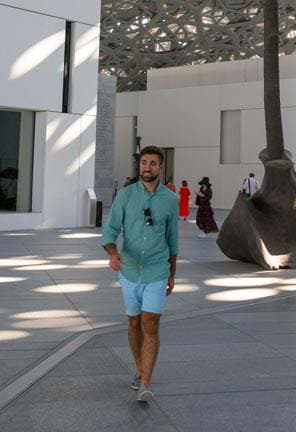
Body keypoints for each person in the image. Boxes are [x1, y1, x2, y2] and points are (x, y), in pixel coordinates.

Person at [102, 145, 178, 404]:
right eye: (144, 162)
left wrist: (172, 274)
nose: (147, 167)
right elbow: (110, 231)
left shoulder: (170, 199)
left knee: (150, 325)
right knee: (134, 323)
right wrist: (113, 254)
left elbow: (173, 240)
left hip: (157, 271)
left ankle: (146, 383)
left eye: (153, 163)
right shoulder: (125, 196)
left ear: (160, 167)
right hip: (130, 271)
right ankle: (138, 368)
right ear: (140, 166)